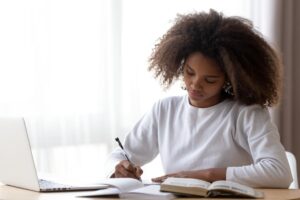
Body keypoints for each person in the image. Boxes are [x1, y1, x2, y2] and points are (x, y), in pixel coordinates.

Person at [107, 9, 292, 188]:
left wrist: (207, 176)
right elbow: (121, 155)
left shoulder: (246, 113)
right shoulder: (165, 110)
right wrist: (121, 168)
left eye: (210, 80)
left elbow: (280, 172)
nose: (195, 85)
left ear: (229, 78)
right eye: (190, 72)